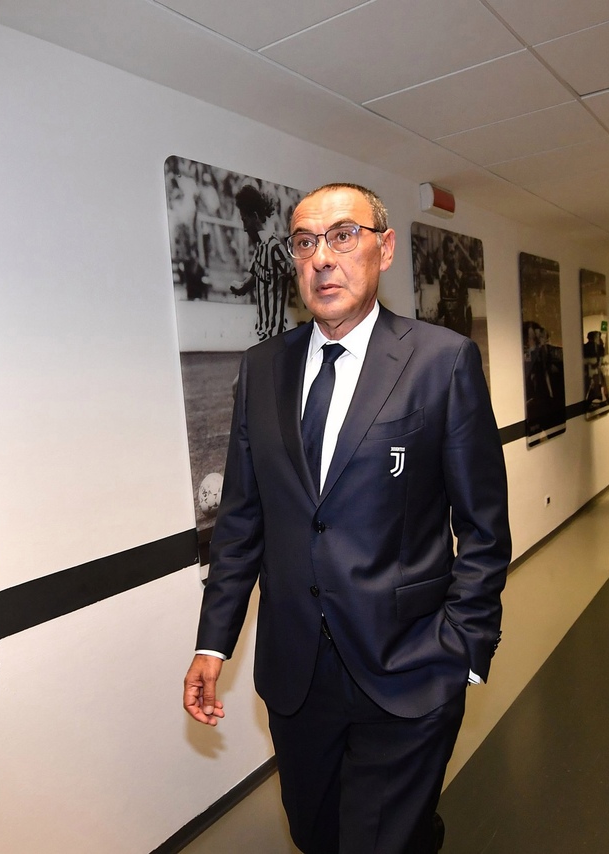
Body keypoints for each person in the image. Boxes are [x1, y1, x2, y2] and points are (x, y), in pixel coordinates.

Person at [183, 183, 510, 853]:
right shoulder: (262, 369)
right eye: (305, 243)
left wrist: (466, 650)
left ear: (383, 249)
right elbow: (241, 522)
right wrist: (213, 643)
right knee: (317, 835)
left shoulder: (440, 361)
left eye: (342, 236)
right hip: (298, 677)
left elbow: (483, 526)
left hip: (411, 665)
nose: (322, 258)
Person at [230, 184, 294, 341]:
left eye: (245, 220)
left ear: (255, 217)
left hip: (276, 335)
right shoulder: (261, 248)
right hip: (263, 332)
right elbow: (255, 276)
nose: (244, 228)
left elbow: (295, 273)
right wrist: (241, 287)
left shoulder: (275, 247)